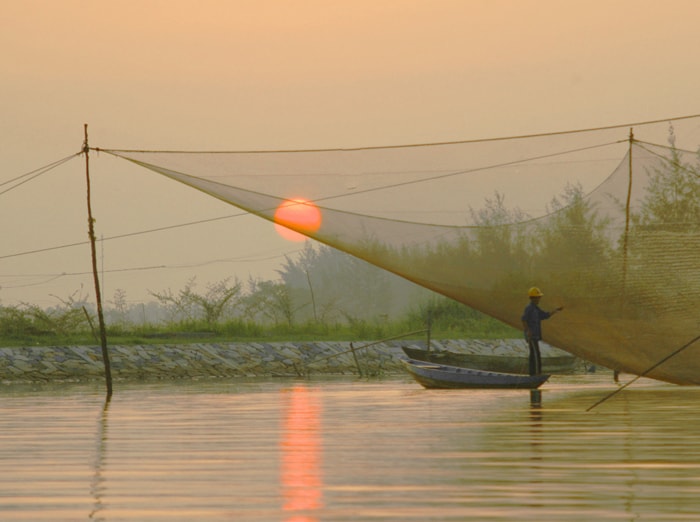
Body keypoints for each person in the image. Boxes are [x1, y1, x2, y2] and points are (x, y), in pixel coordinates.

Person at [521, 287, 563, 376]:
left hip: (535, 336)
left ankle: (535, 373)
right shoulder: (529, 308)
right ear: (533, 298)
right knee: (535, 355)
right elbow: (524, 320)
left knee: (535, 354)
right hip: (532, 336)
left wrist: (555, 311)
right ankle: (535, 374)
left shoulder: (536, 308)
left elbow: (544, 315)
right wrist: (528, 331)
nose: (539, 299)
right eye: (537, 297)